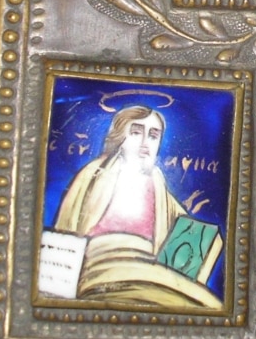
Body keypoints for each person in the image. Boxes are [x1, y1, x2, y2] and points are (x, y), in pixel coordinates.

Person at [55, 105, 183, 251]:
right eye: (136, 133)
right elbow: (66, 227)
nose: (145, 143)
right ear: (119, 137)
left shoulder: (159, 189)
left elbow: (190, 233)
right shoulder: (92, 175)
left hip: (146, 264)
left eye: (153, 136)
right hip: (95, 260)